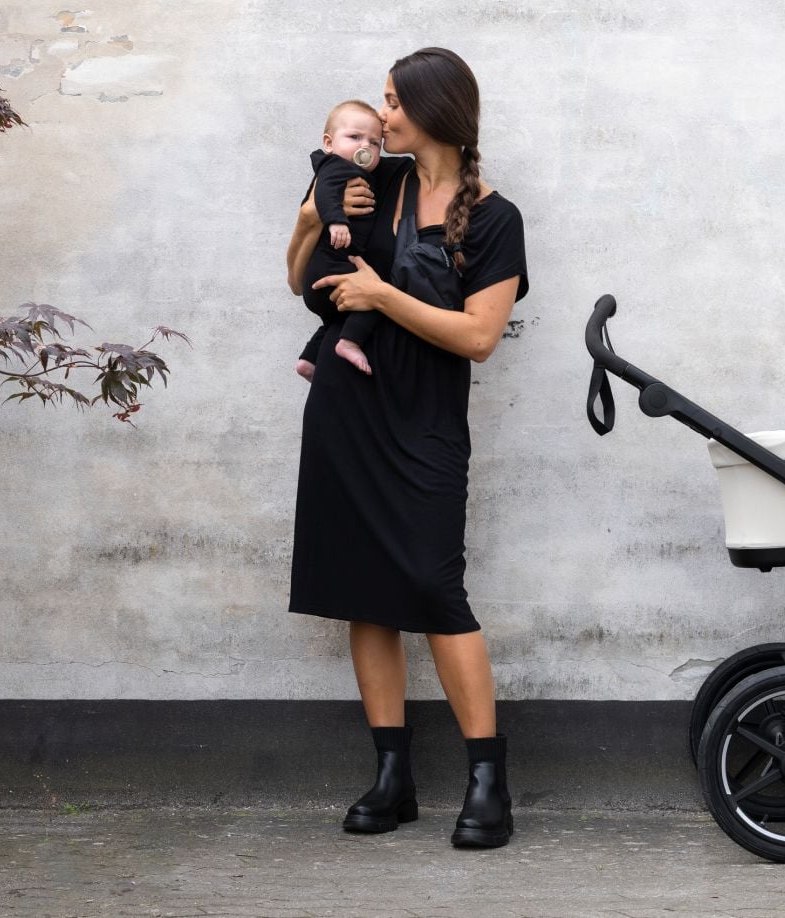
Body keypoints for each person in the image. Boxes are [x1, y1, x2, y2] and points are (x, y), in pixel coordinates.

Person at [284, 47, 528, 849]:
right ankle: (392, 778)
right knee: (363, 588)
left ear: (433, 111)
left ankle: (488, 780)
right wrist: (309, 219)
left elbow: (480, 337)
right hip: (346, 407)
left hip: (423, 418)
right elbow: (298, 280)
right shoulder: (371, 179)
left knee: (432, 585)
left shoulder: (494, 218)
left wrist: (383, 295)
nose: (380, 116)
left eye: (393, 102)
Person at [295, 100, 384, 380]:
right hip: (330, 266)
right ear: (329, 143)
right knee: (376, 297)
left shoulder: (351, 170)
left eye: (374, 142)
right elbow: (324, 195)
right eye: (354, 137)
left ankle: (309, 360)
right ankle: (350, 343)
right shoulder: (335, 166)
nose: (365, 147)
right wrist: (336, 221)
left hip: (320, 276)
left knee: (336, 318)